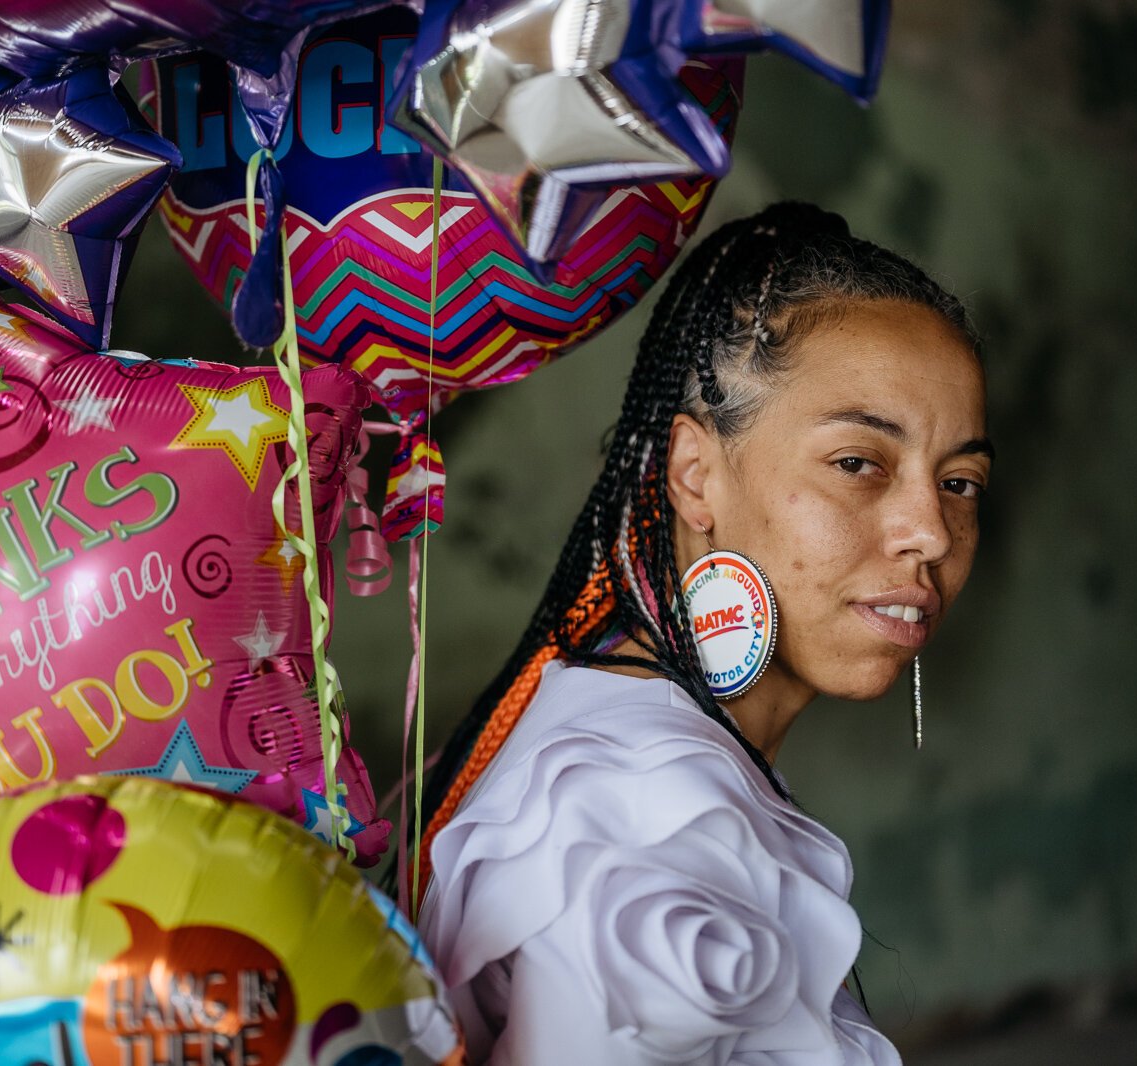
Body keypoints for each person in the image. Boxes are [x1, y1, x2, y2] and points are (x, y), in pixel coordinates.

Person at [414, 201, 992, 1064]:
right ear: (694, 475)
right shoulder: (648, 820)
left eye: (960, 482)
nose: (932, 533)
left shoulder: (629, 729)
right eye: (857, 464)